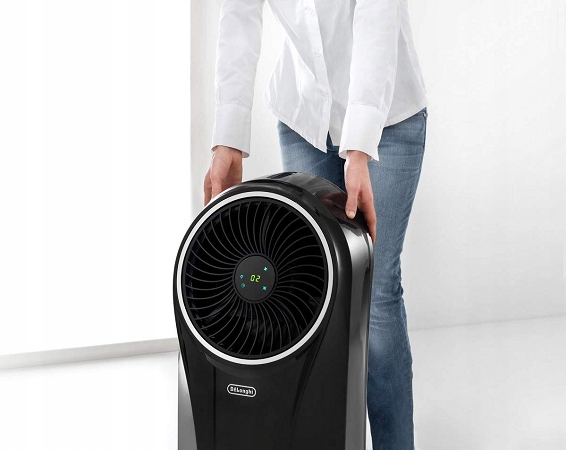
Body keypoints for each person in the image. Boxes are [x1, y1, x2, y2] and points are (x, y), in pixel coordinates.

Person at [203, 1, 428, 448]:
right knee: (313, 291)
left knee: (375, 292)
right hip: (305, 117)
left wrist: (358, 149)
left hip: (388, 119)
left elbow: (377, 19)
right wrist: (227, 139)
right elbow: (239, 17)